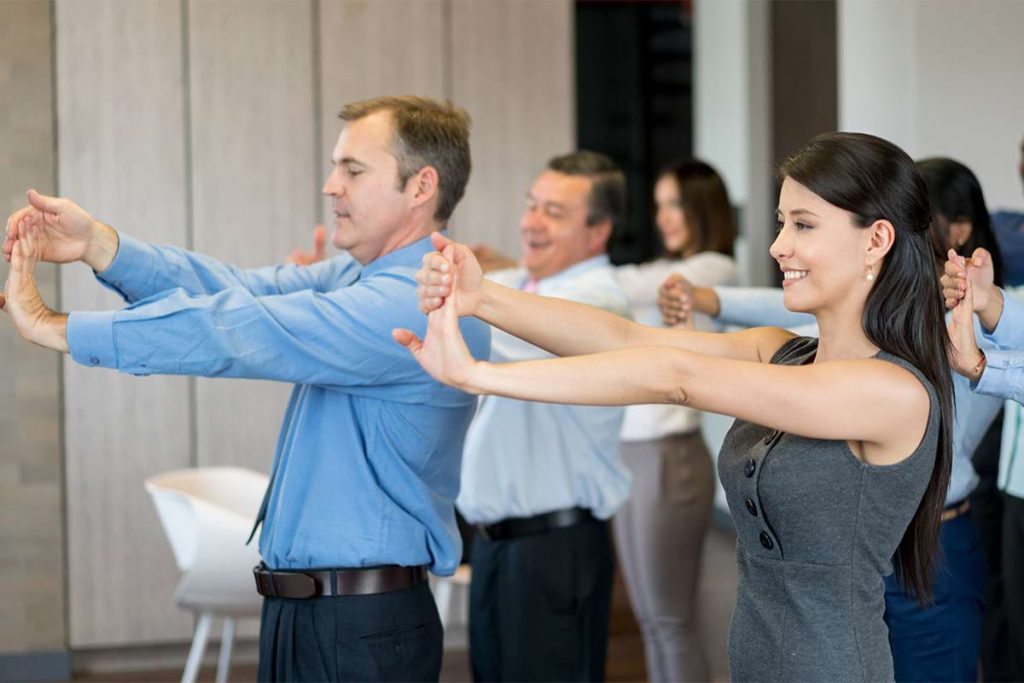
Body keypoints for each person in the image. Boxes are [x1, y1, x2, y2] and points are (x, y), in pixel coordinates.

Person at [397, 132, 954, 682]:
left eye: (803, 225)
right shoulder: (779, 352)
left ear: (876, 239)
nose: (778, 245)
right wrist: (485, 298)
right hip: (755, 663)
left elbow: (676, 379)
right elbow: (627, 341)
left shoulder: (891, 393)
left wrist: (478, 375)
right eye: (783, 222)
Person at [1, 95, 491, 683]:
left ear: (421, 186)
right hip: (312, 615)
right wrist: (100, 246)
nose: (331, 186)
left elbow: (244, 331)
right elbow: (234, 290)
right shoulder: (358, 277)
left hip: (362, 626)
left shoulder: (420, 299)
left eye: (353, 170)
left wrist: (58, 328)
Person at [658, 157, 1001, 682]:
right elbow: (780, 309)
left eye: (805, 224)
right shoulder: (843, 334)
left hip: (937, 542)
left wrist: (987, 317)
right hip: (840, 545)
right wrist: (709, 298)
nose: (783, 244)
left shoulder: (968, 323)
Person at [458, 151, 632, 682]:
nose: (531, 223)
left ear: (597, 231)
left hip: (553, 552)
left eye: (554, 213)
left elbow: (493, 334)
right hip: (496, 549)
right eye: (532, 206)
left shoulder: (597, 301)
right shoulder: (528, 288)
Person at [612, 160, 736, 682]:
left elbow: (632, 287)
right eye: (659, 205)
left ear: (702, 208)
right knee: (651, 620)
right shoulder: (663, 271)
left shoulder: (714, 269)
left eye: (675, 205)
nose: (664, 217)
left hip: (669, 454)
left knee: (669, 620)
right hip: (632, 453)